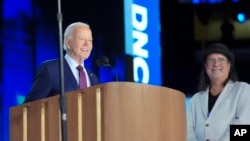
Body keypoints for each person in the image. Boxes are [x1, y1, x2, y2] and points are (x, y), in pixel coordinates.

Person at [187, 43, 250, 141]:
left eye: (221, 59)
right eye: (211, 60)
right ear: (205, 66)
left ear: (229, 66)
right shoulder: (196, 99)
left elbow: (244, 128)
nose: (216, 64)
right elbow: (189, 130)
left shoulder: (243, 90)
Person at [24, 22, 99, 103]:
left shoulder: (93, 77)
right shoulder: (51, 70)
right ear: (68, 43)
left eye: (90, 40)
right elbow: (30, 107)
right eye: (82, 39)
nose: (87, 44)